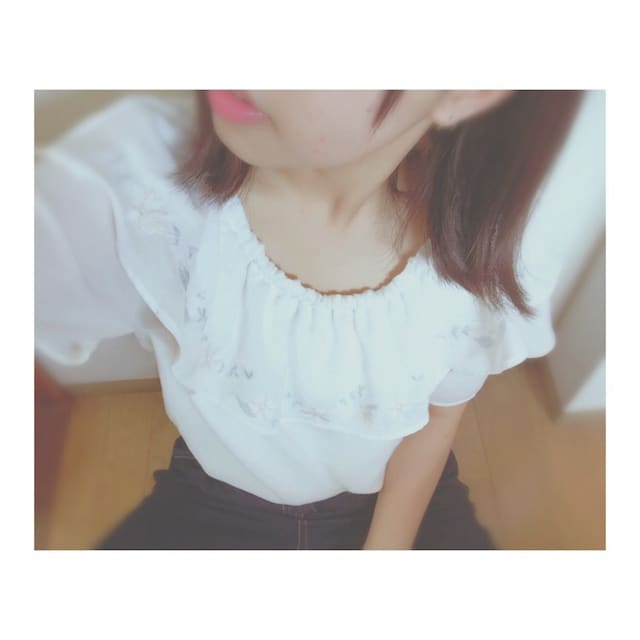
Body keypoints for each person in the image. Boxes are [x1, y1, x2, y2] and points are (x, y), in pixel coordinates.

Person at [35, 90, 582, 550]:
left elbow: (439, 415)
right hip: (213, 493)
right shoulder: (144, 181)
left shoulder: (486, 244)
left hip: (397, 495)